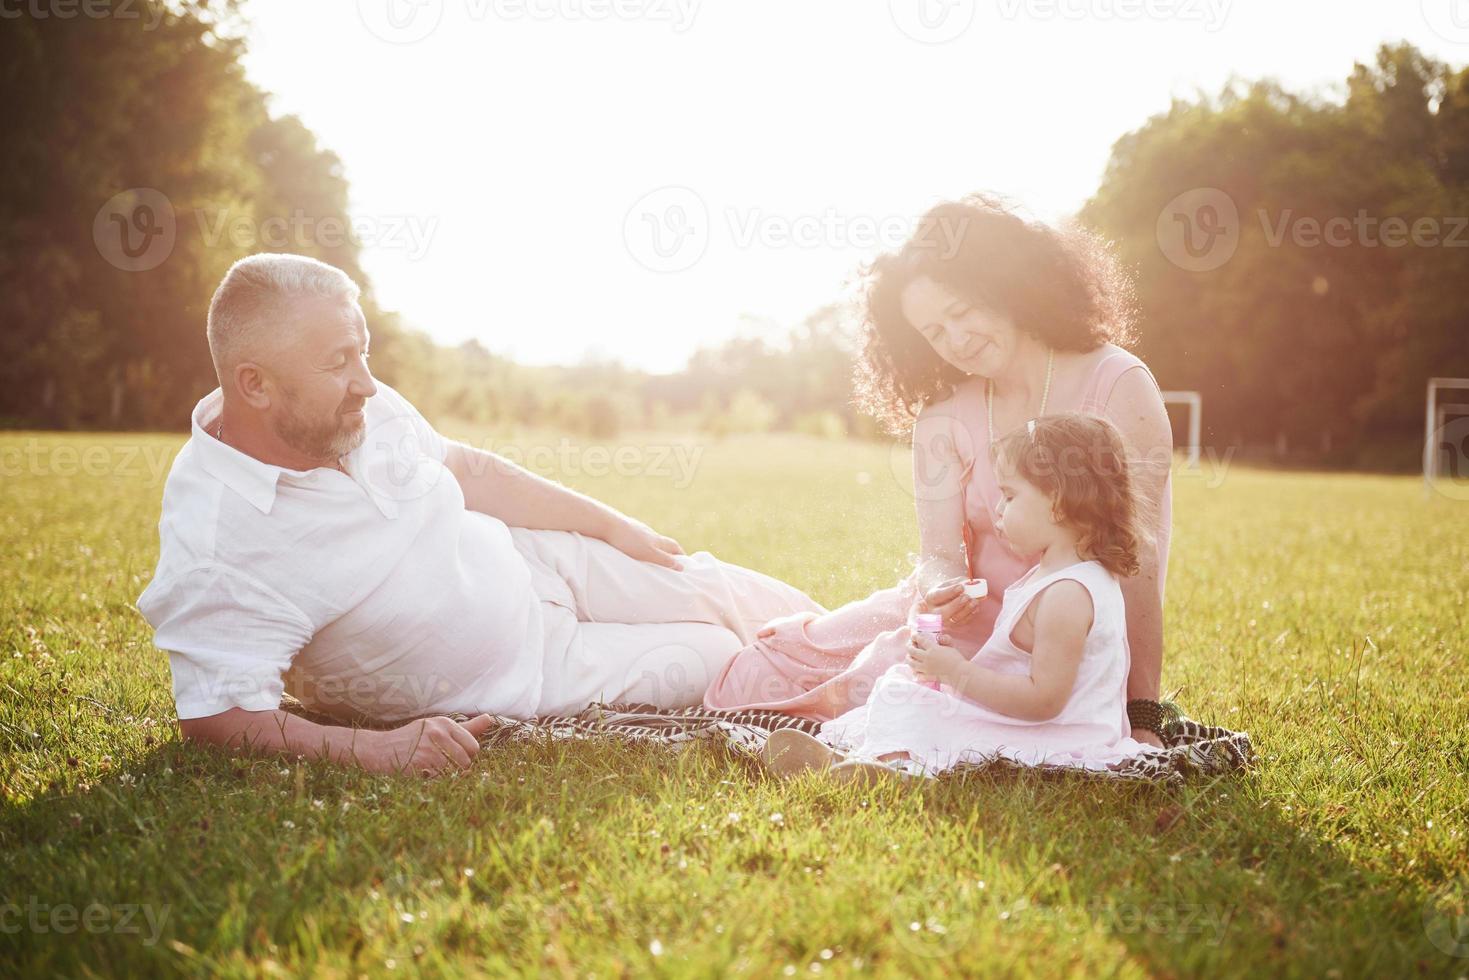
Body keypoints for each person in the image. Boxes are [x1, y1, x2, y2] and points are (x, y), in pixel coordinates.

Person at [137, 253, 823, 776]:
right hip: (537, 669)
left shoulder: (354, 408)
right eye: (340, 363)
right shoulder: (220, 541)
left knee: (746, 598)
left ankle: (902, 660)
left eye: (363, 353)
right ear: (253, 383)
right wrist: (379, 751)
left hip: (541, 560)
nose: (367, 384)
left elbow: (462, 468)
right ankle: (883, 713)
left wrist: (609, 524)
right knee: (722, 657)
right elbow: (218, 714)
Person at [704, 193, 1175, 748]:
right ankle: (740, 609)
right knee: (750, 677)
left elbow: (1137, 558)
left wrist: (1142, 711)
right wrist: (940, 587)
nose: (956, 341)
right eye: (934, 332)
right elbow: (938, 554)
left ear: (1006, 285)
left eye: (960, 312)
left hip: (1052, 647)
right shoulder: (942, 417)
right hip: (958, 636)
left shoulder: (1117, 383)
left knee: (888, 712)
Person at [764, 413, 1166, 781]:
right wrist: (950, 664)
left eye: (1010, 496)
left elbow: (1044, 700)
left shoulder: (1067, 594)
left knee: (911, 702)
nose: (997, 509)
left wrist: (956, 672)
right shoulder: (1064, 574)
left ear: (1058, 502)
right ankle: (877, 759)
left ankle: (898, 769)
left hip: (1057, 741)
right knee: (906, 688)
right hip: (1046, 727)